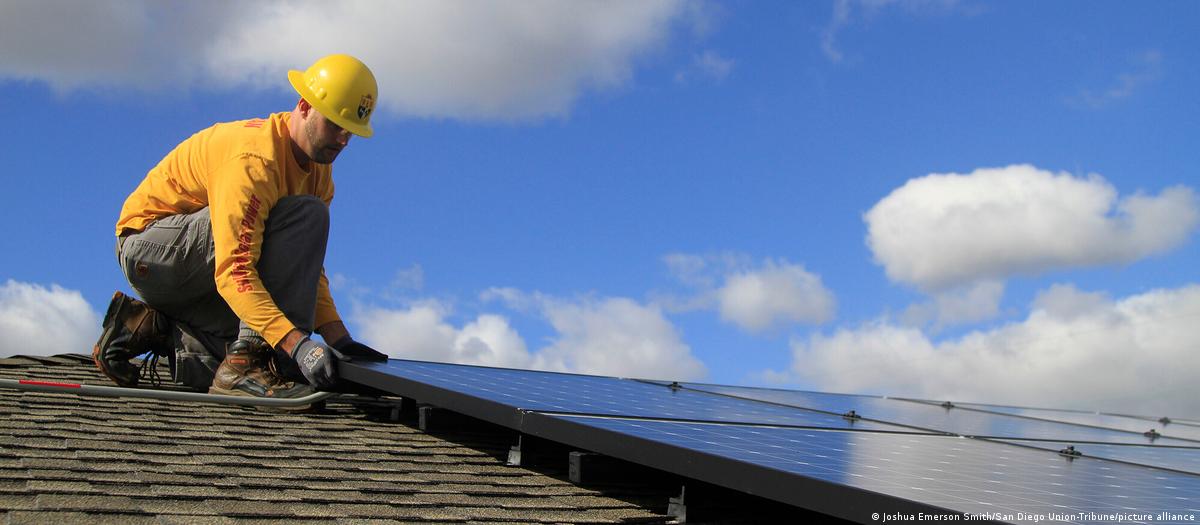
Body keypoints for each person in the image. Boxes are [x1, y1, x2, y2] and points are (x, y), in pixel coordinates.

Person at [93, 54, 387, 401]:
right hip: (151, 251)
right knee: (280, 335)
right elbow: (235, 270)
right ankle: (246, 365)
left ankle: (147, 328)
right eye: (335, 125)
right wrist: (298, 344)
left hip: (201, 269)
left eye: (350, 132)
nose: (342, 140)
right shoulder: (255, 160)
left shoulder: (319, 172)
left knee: (273, 357)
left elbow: (307, 267)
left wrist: (339, 339)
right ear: (305, 106)